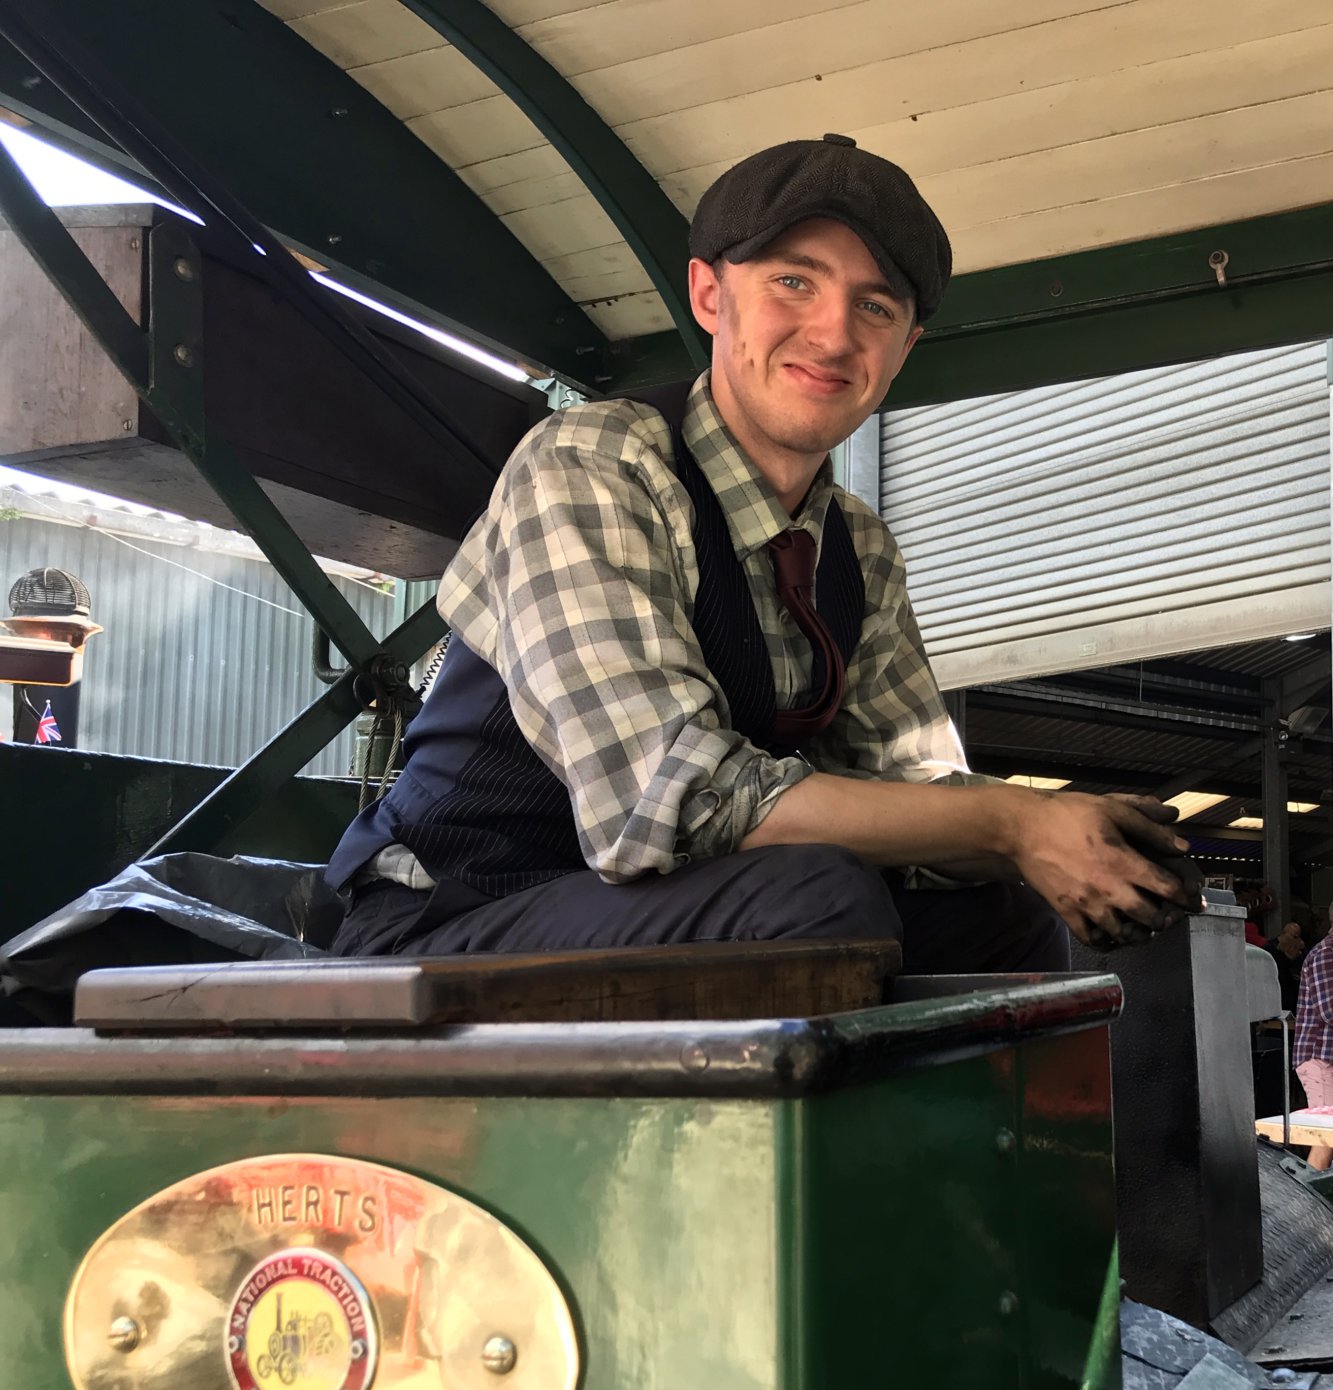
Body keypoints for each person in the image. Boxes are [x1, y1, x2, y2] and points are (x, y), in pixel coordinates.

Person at [324, 134, 1201, 969]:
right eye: (793, 281)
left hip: (666, 917)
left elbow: (914, 783)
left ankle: (1000, 1132)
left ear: (904, 349)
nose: (832, 335)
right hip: (452, 919)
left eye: (876, 306)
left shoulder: (858, 547)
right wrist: (1008, 825)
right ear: (710, 295)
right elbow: (664, 801)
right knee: (817, 895)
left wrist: (1058, 827)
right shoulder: (595, 463)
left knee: (999, 915)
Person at [1290, 905, 1333, 1170]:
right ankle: (1305, 1198)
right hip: (1321, 1057)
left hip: (1328, 1057)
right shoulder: (1326, 954)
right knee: (1330, 1136)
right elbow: (1330, 1011)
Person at [1271, 921, 1306, 1013]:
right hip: (1277, 995)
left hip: (1293, 997)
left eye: (1298, 937)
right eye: (1294, 936)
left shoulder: (1300, 950)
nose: (1296, 939)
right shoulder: (1270, 949)